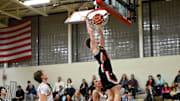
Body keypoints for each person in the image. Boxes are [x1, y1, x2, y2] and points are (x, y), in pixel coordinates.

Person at [85, 20, 121, 101]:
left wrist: (99, 26)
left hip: (106, 70)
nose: (95, 40)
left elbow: (101, 36)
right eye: (93, 41)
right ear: (91, 44)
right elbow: (91, 33)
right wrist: (87, 20)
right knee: (117, 91)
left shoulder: (101, 48)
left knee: (111, 96)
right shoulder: (95, 49)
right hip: (105, 70)